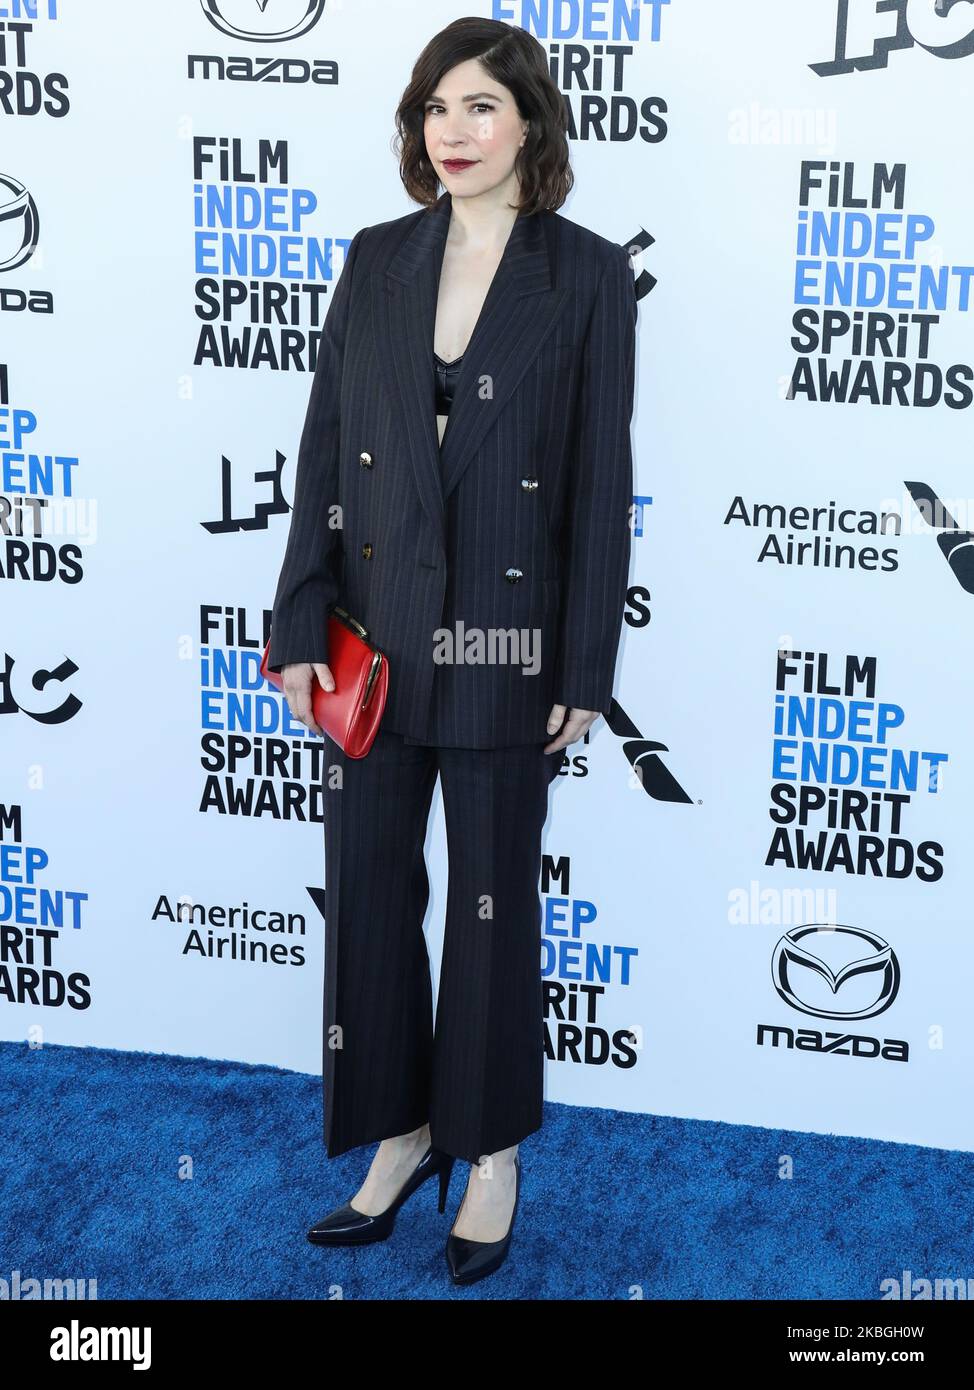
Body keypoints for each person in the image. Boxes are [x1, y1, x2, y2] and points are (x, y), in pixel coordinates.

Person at [266, 16, 637, 1287]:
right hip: (370, 644)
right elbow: (321, 455)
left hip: (504, 642)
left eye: (480, 107)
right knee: (368, 896)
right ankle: (401, 1128)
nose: (453, 132)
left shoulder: (583, 276)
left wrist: (582, 669)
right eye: (434, 109)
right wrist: (297, 621)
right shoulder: (374, 260)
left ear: (528, 121)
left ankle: (488, 1151)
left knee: (489, 910)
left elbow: (598, 485)